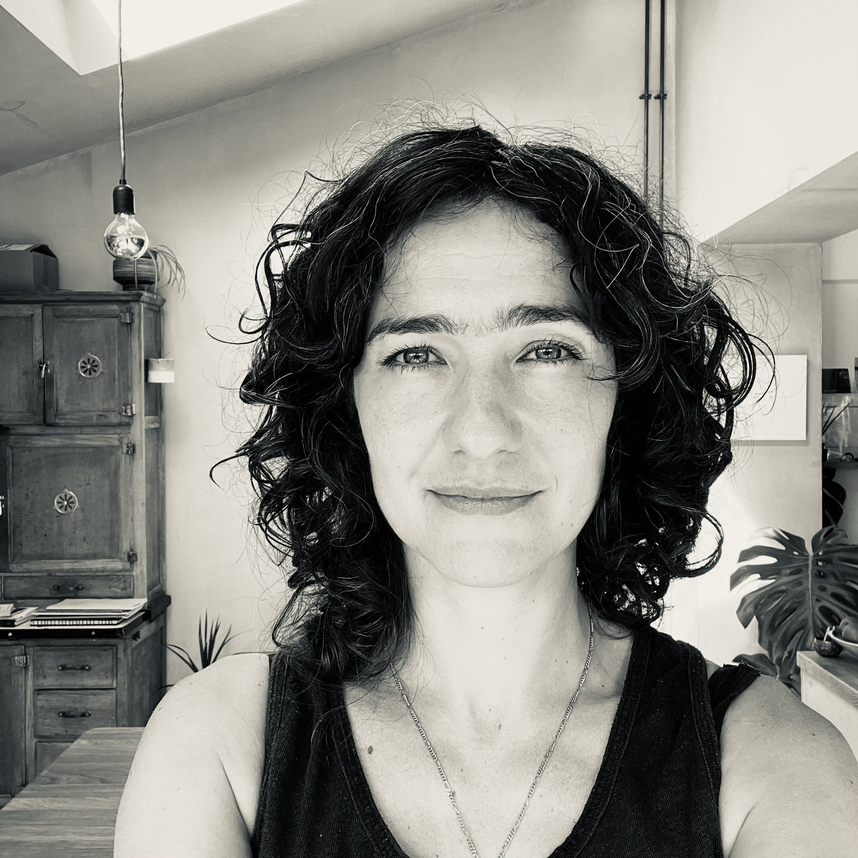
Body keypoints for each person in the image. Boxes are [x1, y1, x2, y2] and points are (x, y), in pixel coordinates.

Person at [114, 124, 858, 858]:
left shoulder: (773, 765)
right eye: (415, 354)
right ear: (347, 408)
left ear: (625, 400)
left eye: (547, 350)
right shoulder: (217, 748)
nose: (481, 431)